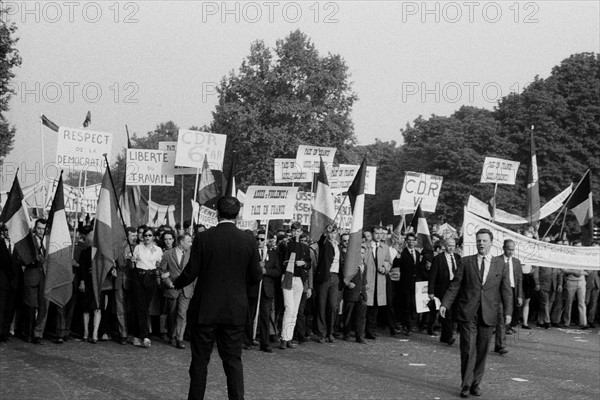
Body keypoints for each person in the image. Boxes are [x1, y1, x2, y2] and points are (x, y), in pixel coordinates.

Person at [173, 196, 262, 400]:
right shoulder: (248, 239)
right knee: (233, 362)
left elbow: (191, 271)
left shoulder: (204, 238)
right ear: (238, 214)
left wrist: (175, 283)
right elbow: (256, 276)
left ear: (216, 212)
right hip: (234, 310)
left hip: (206, 309)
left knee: (199, 361)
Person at [440, 228, 512, 398]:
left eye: (484, 240)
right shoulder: (466, 262)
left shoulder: (500, 264)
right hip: (468, 313)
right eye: (479, 240)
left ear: (491, 243)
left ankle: (475, 384)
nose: (481, 243)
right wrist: (445, 303)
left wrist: (508, 312)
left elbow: (506, 289)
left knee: (482, 350)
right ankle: (465, 385)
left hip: (489, 313)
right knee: (467, 349)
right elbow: (455, 285)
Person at [160, 233, 194, 349]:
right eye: (189, 241)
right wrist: (168, 282)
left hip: (187, 288)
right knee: (172, 313)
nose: (191, 244)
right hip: (173, 288)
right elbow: (162, 270)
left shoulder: (192, 254)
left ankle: (180, 338)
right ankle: (172, 335)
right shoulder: (168, 254)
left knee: (182, 313)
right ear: (181, 242)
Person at [280, 222, 311, 349]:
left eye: (298, 231)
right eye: (294, 231)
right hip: (288, 277)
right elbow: (286, 256)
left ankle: (289, 337)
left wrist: (303, 263)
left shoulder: (305, 247)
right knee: (289, 307)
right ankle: (283, 337)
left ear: (301, 231)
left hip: (299, 279)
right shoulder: (287, 244)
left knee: (295, 310)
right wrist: (294, 240)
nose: (296, 233)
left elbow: (308, 264)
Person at [131, 227, 162, 348]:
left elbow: (159, 264)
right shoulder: (138, 247)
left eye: (150, 235)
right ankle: (145, 335)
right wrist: (132, 260)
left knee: (145, 307)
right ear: (143, 237)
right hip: (139, 276)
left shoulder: (158, 250)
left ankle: (137, 335)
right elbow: (131, 264)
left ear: (153, 237)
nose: (147, 237)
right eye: (146, 235)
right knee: (140, 306)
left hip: (151, 277)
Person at [314, 224, 344, 343]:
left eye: (334, 233)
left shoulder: (338, 246)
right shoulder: (325, 244)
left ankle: (330, 332)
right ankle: (321, 333)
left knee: (332, 305)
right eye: (330, 233)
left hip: (335, 276)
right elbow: (321, 241)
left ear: (337, 234)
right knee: (321, 305)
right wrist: (325, 233)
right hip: (325, 277)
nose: (332, 235)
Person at [429, 238, 461, 345]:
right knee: (446, 312)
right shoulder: (438, 258)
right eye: (449, 245)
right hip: (442, 288)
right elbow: (432, 275)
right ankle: (448, 336)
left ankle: (444, 336)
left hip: (455, 288)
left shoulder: (457, 257)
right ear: (444, 246)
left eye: (453, 245)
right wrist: (431, 291)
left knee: (453, 312)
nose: (451, 247)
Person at [494, 239, 523, 354]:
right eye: (508, 249)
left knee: (508, 317)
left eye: (512, 249)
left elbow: (520, 280)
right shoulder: (497, 261)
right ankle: (500, 345)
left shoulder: (516, 262)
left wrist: (520, 295)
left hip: (512, 291)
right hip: (500, 292)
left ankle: (499, 343)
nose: (511, 252)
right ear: (503, 248)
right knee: (502, 317)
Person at [23, 219, 48, 344]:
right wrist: (33, 259)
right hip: (32, 276)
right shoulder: (29, 241)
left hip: (45, 278)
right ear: (35, 228)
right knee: (31, 306)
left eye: (43, 229)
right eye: (39, 228)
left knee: (43, 307)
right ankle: (28, 333)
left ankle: (38, 334)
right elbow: (21, 259)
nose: (41, 231)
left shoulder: (49, 241)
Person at [364, 226, 392, 339]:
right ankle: (361, 330)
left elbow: (389, 261)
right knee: (365, 306)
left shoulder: (385, 247)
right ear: (372, 234)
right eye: (376, 233)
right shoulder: (365, 246)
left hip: (379, 281)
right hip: (367, 280)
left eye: (381, 233)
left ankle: (371, 331)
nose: (379, 236)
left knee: (375, 307)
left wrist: (385, 268)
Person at [255, 230, 280, 353]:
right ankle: (247, 340)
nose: (259, 241)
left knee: (265, 317)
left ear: (267, 240)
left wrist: (266, 271)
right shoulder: (252, 253)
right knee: (249, 315)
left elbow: (277, 271)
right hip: (254, 288)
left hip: (267, 289)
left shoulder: (273, 254)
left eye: (262, 239)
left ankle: (264, 343)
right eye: (258, 239)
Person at [395, 232, 421, 336]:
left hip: (415, 283)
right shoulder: (403, 252)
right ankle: (408, 326)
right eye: (409, 240)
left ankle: (411, 324)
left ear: (415, 241)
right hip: (405, 283)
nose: (411, 242)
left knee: (413, 305)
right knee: (406, 304)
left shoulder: (418, 253)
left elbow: (419, 268)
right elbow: (396, 264)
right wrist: (398, 254)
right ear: (406, 242)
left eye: (413, 240)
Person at [342, 245, 368, 344]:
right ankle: (346, 333)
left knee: (361, 316)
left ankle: (359, 335)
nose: (360, 255)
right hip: (351, 293)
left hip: (361, 293)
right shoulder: (350, 264)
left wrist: (365, 286)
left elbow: (364, 278)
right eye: (359, 253)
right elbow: (344, 276)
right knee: (348, 314)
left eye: (362, 253)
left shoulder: (364, 265)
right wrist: (348, 283)